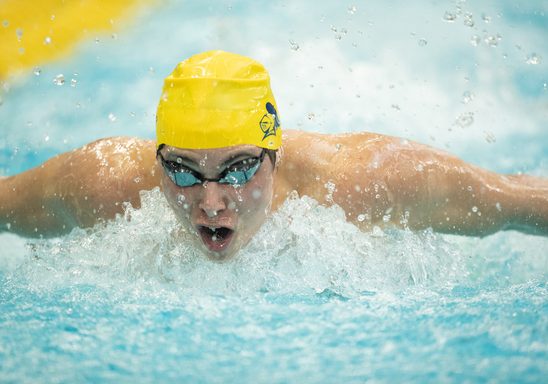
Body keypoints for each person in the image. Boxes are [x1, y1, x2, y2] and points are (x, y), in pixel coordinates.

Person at [0, 50, 547, 261]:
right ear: (158, 160)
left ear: (275, 156)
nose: (210, 203)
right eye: (183, 172)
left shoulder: (363, 182)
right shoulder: (102, 183)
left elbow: (517, 200)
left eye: (237, 169)